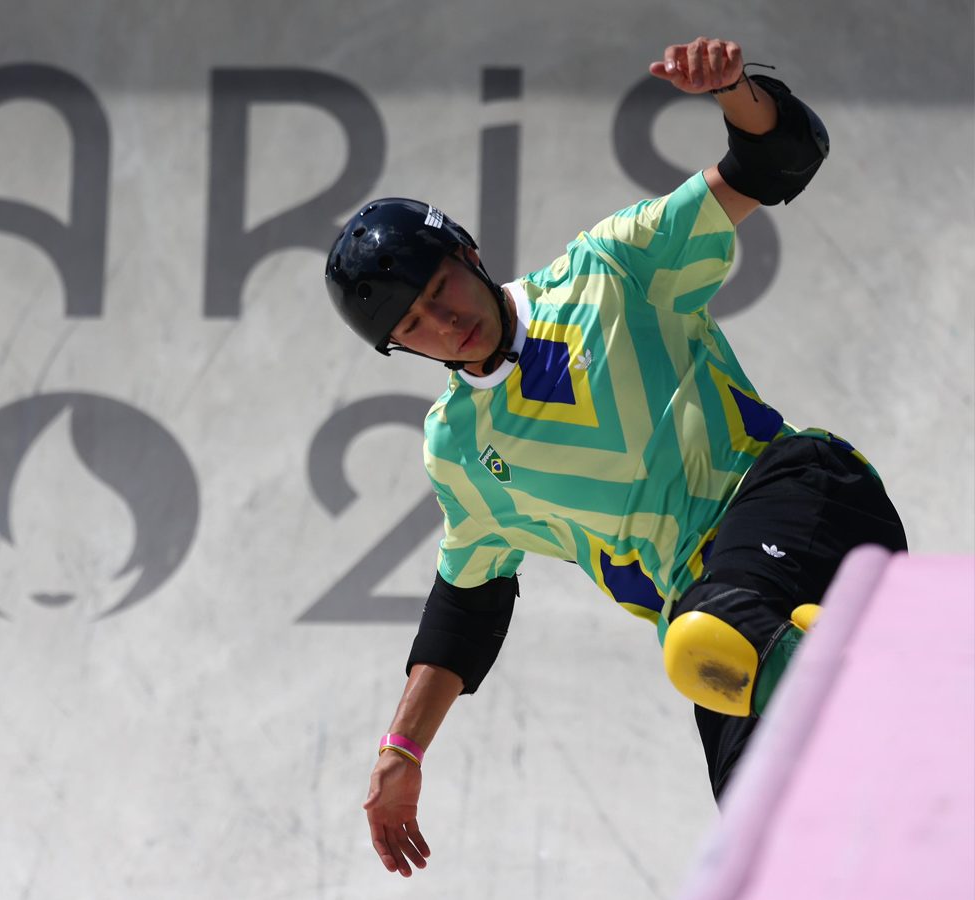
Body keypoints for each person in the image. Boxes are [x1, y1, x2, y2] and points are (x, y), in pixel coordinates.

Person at [323, 37, 907, 878]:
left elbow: (779, 157)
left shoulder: (611, 270)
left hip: (797, 495)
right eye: (412, 323)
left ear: (469, 256)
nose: (444, 322)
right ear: (400, 348)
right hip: (714, 642)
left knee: (713, 629)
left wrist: (736, 91)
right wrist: (401, 749)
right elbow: (468, 602)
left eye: (440, 288)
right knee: (771, 854)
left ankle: (895, 696)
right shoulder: (458, 452)